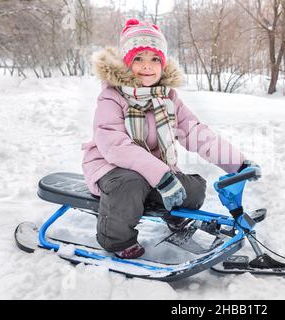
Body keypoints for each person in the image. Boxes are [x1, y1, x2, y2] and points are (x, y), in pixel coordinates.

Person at [81, 19, 261, 259]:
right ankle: (116, 239)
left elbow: (196, 132)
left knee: (194, 189)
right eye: (138, 59)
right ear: (126, 63)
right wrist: (161, 176)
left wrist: (238, 164)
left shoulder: (168, 98)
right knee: (130, 184)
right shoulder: (112, 97)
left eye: (155, 59)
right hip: (111, 167)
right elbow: (115, 146)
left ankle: (174, 215)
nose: (147, 66)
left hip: (154, 170)